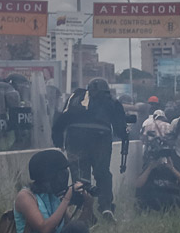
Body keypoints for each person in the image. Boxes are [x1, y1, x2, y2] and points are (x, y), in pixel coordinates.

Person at [52, 78, 128, 221]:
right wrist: (124, 132)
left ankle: (84, 210)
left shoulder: (75, 98)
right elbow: (120, 129)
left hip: (75, 139)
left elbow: (61, 119)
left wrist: (58, 140)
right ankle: (106, 207)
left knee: (80, 177)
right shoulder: (111, 101)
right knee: (102, 173)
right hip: (101, 139)